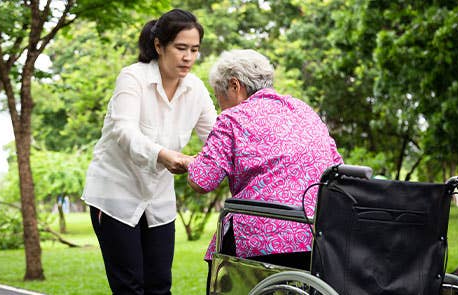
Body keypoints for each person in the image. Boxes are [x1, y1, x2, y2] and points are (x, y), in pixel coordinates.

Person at [81, 8, 217, 295]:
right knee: (129, 287)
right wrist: (165, 155)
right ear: (159, 46)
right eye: (180, 48)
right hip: (115, 196)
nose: (188, 57)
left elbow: (218, 138)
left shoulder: (196, 89)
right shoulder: (133, 78)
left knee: (159, 287)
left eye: (194, 49)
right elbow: (124, 131)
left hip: (158, 201)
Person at [184, 49, 343, 282]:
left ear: (235, 86)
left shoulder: (233, 119)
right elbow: (336, 166)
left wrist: (190, 162)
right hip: (314, 237)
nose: (220, 105)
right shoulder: (304, 110)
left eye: (218, 96)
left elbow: (201, 181)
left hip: (260, 243)